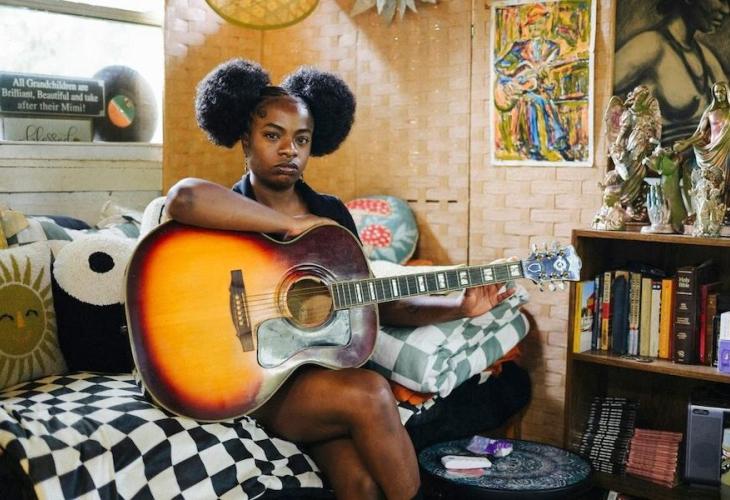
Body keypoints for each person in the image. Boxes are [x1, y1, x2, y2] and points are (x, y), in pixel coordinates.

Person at [164, 59, 513, 500]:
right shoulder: (227, 210)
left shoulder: (330, 214)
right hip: (257, 381)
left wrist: (458, 308)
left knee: (361, 484)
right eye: (272, 135)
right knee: (371, 393)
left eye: (301, 139)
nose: (289, 150)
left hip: (323, 377)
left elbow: (378, 303)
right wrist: (289, 225)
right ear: (245, 139)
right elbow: (183, 197)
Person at [614, 0, 730, 145]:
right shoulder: (649, 46)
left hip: (704, 157)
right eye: (721, 0)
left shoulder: (708, 59)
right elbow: (599, 95)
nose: (726, 9)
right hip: (660, 158)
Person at [493, 3, 574, 161]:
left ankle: (550, 145)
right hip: (518, 90)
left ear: (545, 24)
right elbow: (499, 66)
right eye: (533, 23)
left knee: (541, 99)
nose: (536, 27)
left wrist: (545, 76)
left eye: (539, 23)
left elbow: (551, 73)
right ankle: (546, 145)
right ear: (528, 26)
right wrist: (512, 78)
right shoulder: (519, 47)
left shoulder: (553, 48)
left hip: (541, 87)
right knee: (537, 100)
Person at [674, 81, 730, 223]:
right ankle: (706, 212)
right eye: (717, 92)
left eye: (722, 91)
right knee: (709, 181)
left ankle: (725, 210)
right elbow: (700, 132)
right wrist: (686, 143)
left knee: (726, 180)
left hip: (727, 149)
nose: (720, 94)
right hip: (712, 151)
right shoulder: (710, 111)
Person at [605, 85, 662, 221]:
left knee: (641, 173)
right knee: (629, 174)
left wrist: (653, 142)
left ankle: (634, 204)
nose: (642, 98)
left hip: (645, 146)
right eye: (640, 95)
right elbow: (622, 132)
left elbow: (654, 129)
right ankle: (627, 203)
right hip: (633, 145)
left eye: (644, 96)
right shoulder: (628, 113)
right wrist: (616, 144)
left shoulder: (647, 113)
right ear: (635, 96)